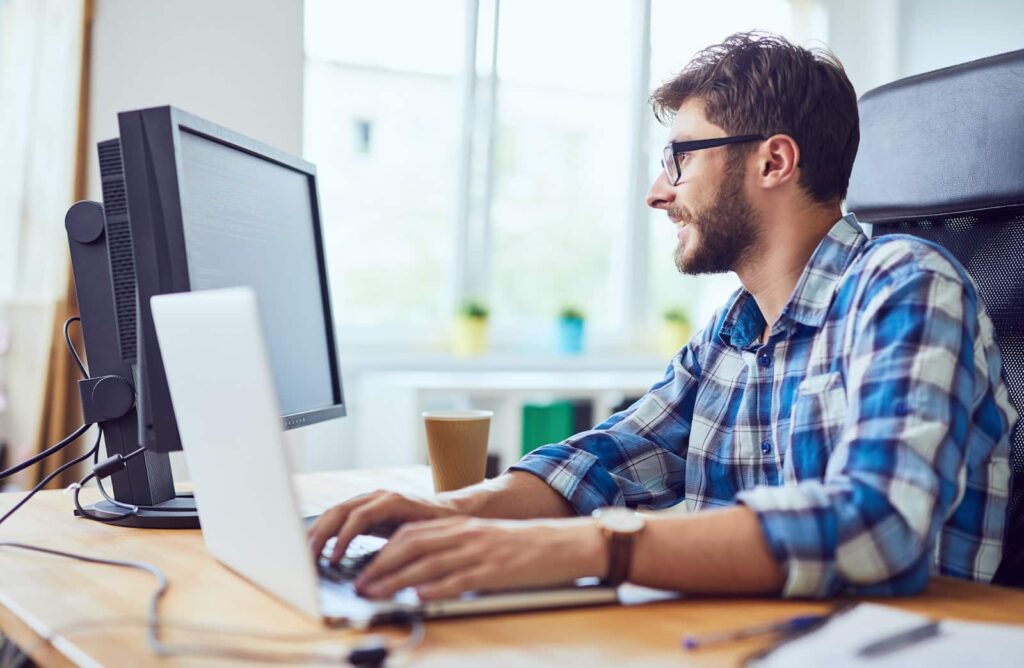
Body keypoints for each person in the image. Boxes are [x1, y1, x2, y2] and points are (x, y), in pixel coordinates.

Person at [309, 32, 1017, 601]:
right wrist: (455, 511)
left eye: (679, 158)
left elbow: (878, 527)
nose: (658, 192)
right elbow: (602, 460)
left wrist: (590, 546)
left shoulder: (906, 286)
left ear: (774, 161)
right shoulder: (734, 329)